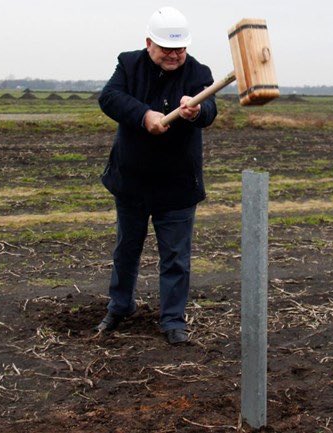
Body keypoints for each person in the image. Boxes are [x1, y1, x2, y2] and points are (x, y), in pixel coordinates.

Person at [95, 6, 217, 345]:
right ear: (149, 43)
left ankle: (173, 321)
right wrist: (144, 114)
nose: (175, 55)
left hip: (178, 185)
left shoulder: (199, 72)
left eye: (180, 49)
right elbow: (109, 98)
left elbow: (210, 111)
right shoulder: (128, 64)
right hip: (132, 180)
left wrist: (196, 111)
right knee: (126, 250)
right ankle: (119, 307)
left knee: (176, 257)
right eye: (167, 49)